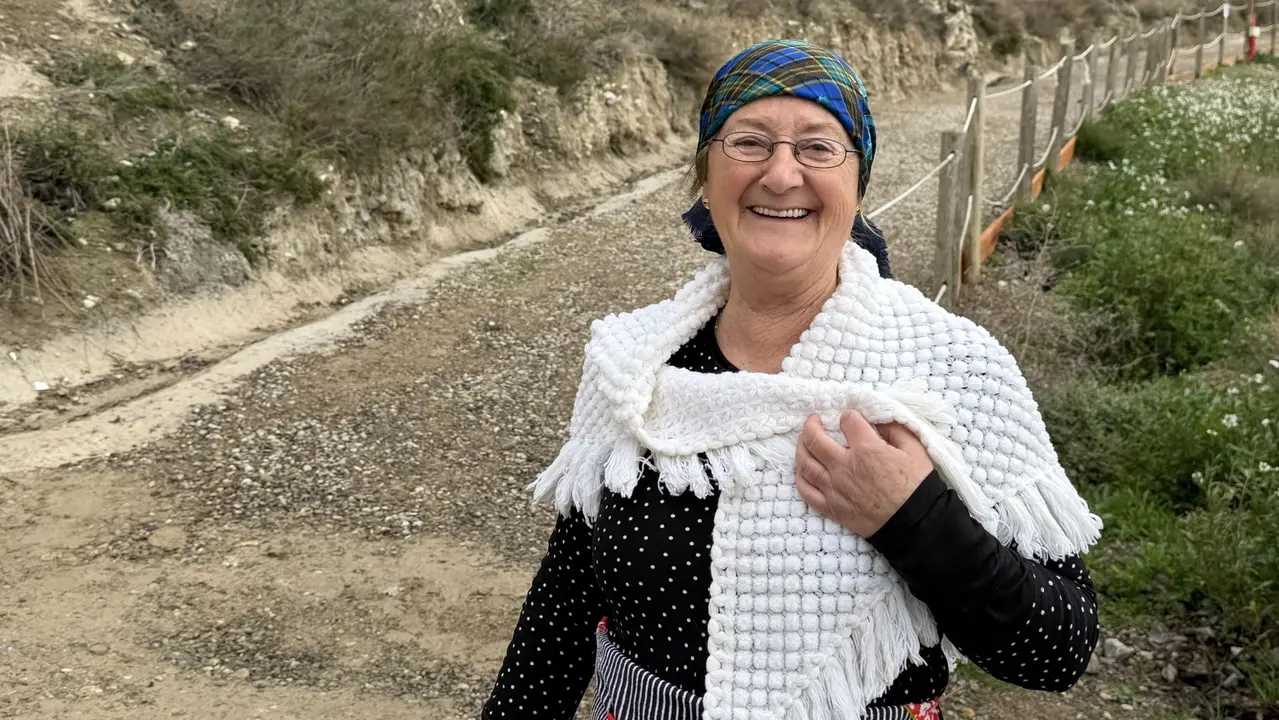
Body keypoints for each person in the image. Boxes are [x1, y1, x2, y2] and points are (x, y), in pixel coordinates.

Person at [482, 40, 1102, 720]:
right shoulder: (633, 367)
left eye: (817, 147)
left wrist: (913, 518)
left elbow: (1058, 649)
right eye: (748, 142)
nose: (781, 175)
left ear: (857, 182)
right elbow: (566, 601)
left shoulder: (947, 368)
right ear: (705, 175)